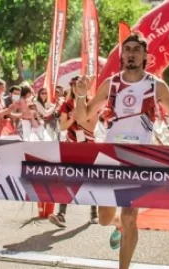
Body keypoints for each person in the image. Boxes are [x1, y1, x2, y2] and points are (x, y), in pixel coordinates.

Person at [75, 34, 169, 269]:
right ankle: (115, 223)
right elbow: (83, 117)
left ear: (145, 56)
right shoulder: (111, 84)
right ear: (122, 55)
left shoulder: (156, 85)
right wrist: (79, 95)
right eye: (127, 49)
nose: (130, 53)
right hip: (110, 157)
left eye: (136, 50)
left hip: (139, 158)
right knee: (104, 219)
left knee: (130, 217)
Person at [48, 76, 99, 227]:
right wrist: (72, 119)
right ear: (73, 87)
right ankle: (61, 214)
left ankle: (94, 214)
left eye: (82, 84)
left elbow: (93, 125)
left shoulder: (91, 102)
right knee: (67, 179)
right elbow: (62, 127)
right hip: (71, 146)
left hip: (87, 145)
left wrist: (81, 118)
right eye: (76, 85)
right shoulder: (67, 105)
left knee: (90, 179)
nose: (78, 87)